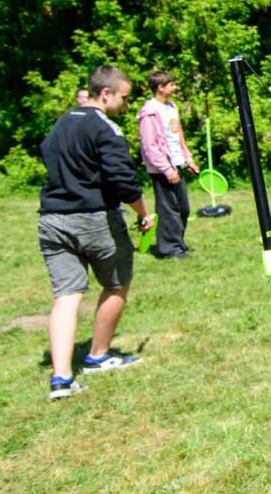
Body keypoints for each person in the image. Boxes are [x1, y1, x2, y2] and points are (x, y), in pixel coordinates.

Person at [37, 65, 155, 401]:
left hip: (51, 220)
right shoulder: (106, 128)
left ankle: (61, 379)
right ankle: (98, 355)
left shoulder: (61, 122)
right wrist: (143, 213)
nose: (125, 104)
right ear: (106, 94)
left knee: (67, 295)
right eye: (124, 97)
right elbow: (123, 180)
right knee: (117, 283)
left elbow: (46, 155)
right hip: (94, 220)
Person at [137, 70, 198, 259]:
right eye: (171, 84)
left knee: (183, 208)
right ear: (160, 87)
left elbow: (178, 137)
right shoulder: (149, 112)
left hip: (177, 163)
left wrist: (188, 159)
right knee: (168, 209)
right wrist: (166, 169)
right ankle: (169, 249)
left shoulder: (172, 107)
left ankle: (177, 242)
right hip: (162, 169)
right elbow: (150, 146)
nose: (175, 87)